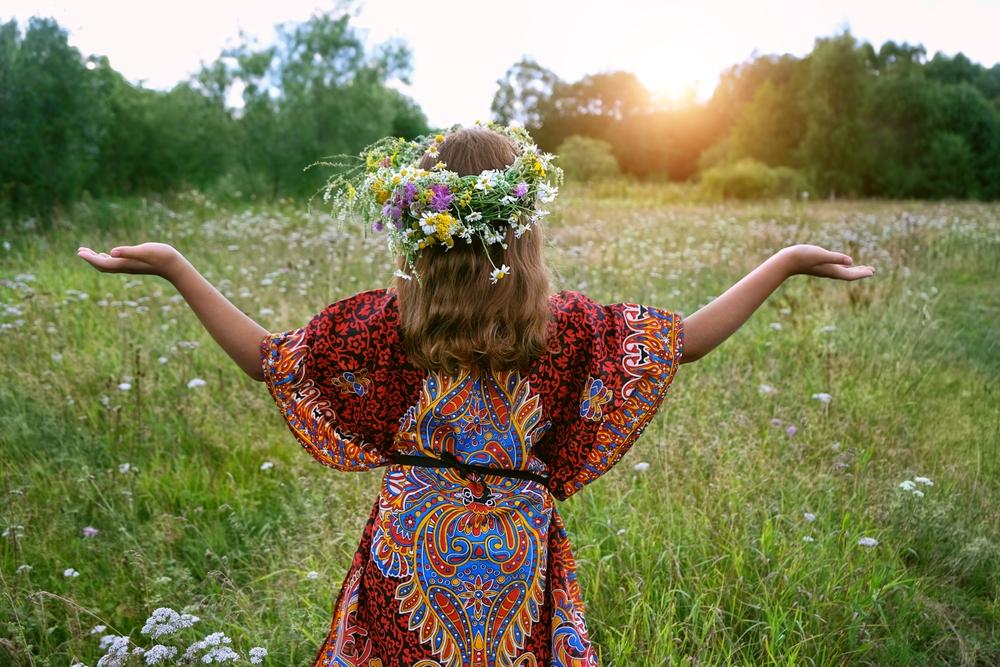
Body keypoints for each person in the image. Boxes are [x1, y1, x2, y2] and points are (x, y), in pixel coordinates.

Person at [77, 124, 875, 666]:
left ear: (415, 225)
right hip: (517, 551)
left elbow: (266, 359)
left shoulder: (380, 325)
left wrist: (179, 266)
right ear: (521, 226)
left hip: (409, 550)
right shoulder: (566, 328)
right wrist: (785, 260)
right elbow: (684, 341)